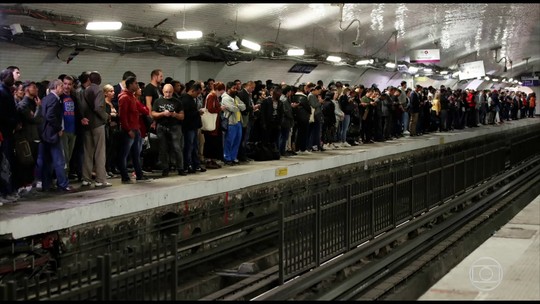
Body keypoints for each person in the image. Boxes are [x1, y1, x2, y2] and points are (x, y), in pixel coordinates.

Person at [39, 79, 73, 192]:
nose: (63, 88)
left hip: (45, 134)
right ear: (57, 87)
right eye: (62, 86)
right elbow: (50, 116)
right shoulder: (54, 99)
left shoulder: (46, 98)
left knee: (47, 161)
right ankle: (63, 184)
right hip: (53, 134)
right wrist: (58, 128)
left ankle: (46, 184)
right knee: (59, 161)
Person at [118, 76, 152, 183]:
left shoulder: (132, 97)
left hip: (135, 129)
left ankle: (139, 175)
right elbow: (122, 116)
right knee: (123, 154)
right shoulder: (124, 98)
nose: (137, 85)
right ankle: (125, 176)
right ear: (130, 84)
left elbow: (145, 110)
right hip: (130, 130)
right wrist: (128, 130)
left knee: (136, 154)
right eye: (135, 83)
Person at [81, 71, 111, 188]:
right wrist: (106, 116)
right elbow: (98, 108)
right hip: (97, 125)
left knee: (88, 153)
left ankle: (86, 179)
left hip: (87, 125)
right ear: (99, 79)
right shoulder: (98, 90)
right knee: (100, 153)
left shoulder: (85, 91)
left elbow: (82, 107)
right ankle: (100, 179)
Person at [151, 83, 187, 177]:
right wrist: (163, 114)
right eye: (166, 92)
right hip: (162, 126)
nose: (168, 94)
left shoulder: (177, 102)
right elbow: (153, 113)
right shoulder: (158, 101)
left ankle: (180, 168)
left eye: (170, 92)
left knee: (177, 148)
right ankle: (165, 168)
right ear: (163, 91)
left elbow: (182, 116)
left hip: (175, 126)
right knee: (163, 148)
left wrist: (175, 115)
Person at [202, 81, 226, 169]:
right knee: (210, 143)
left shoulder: (214, 96)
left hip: (215, 123)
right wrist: (220, 108)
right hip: (212, 124)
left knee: (214, 143)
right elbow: (210, 109)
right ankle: (209, 160)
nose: (221, 93)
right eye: (221, 91)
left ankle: (212, 160)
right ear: (218, 90)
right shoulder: (212, 96)